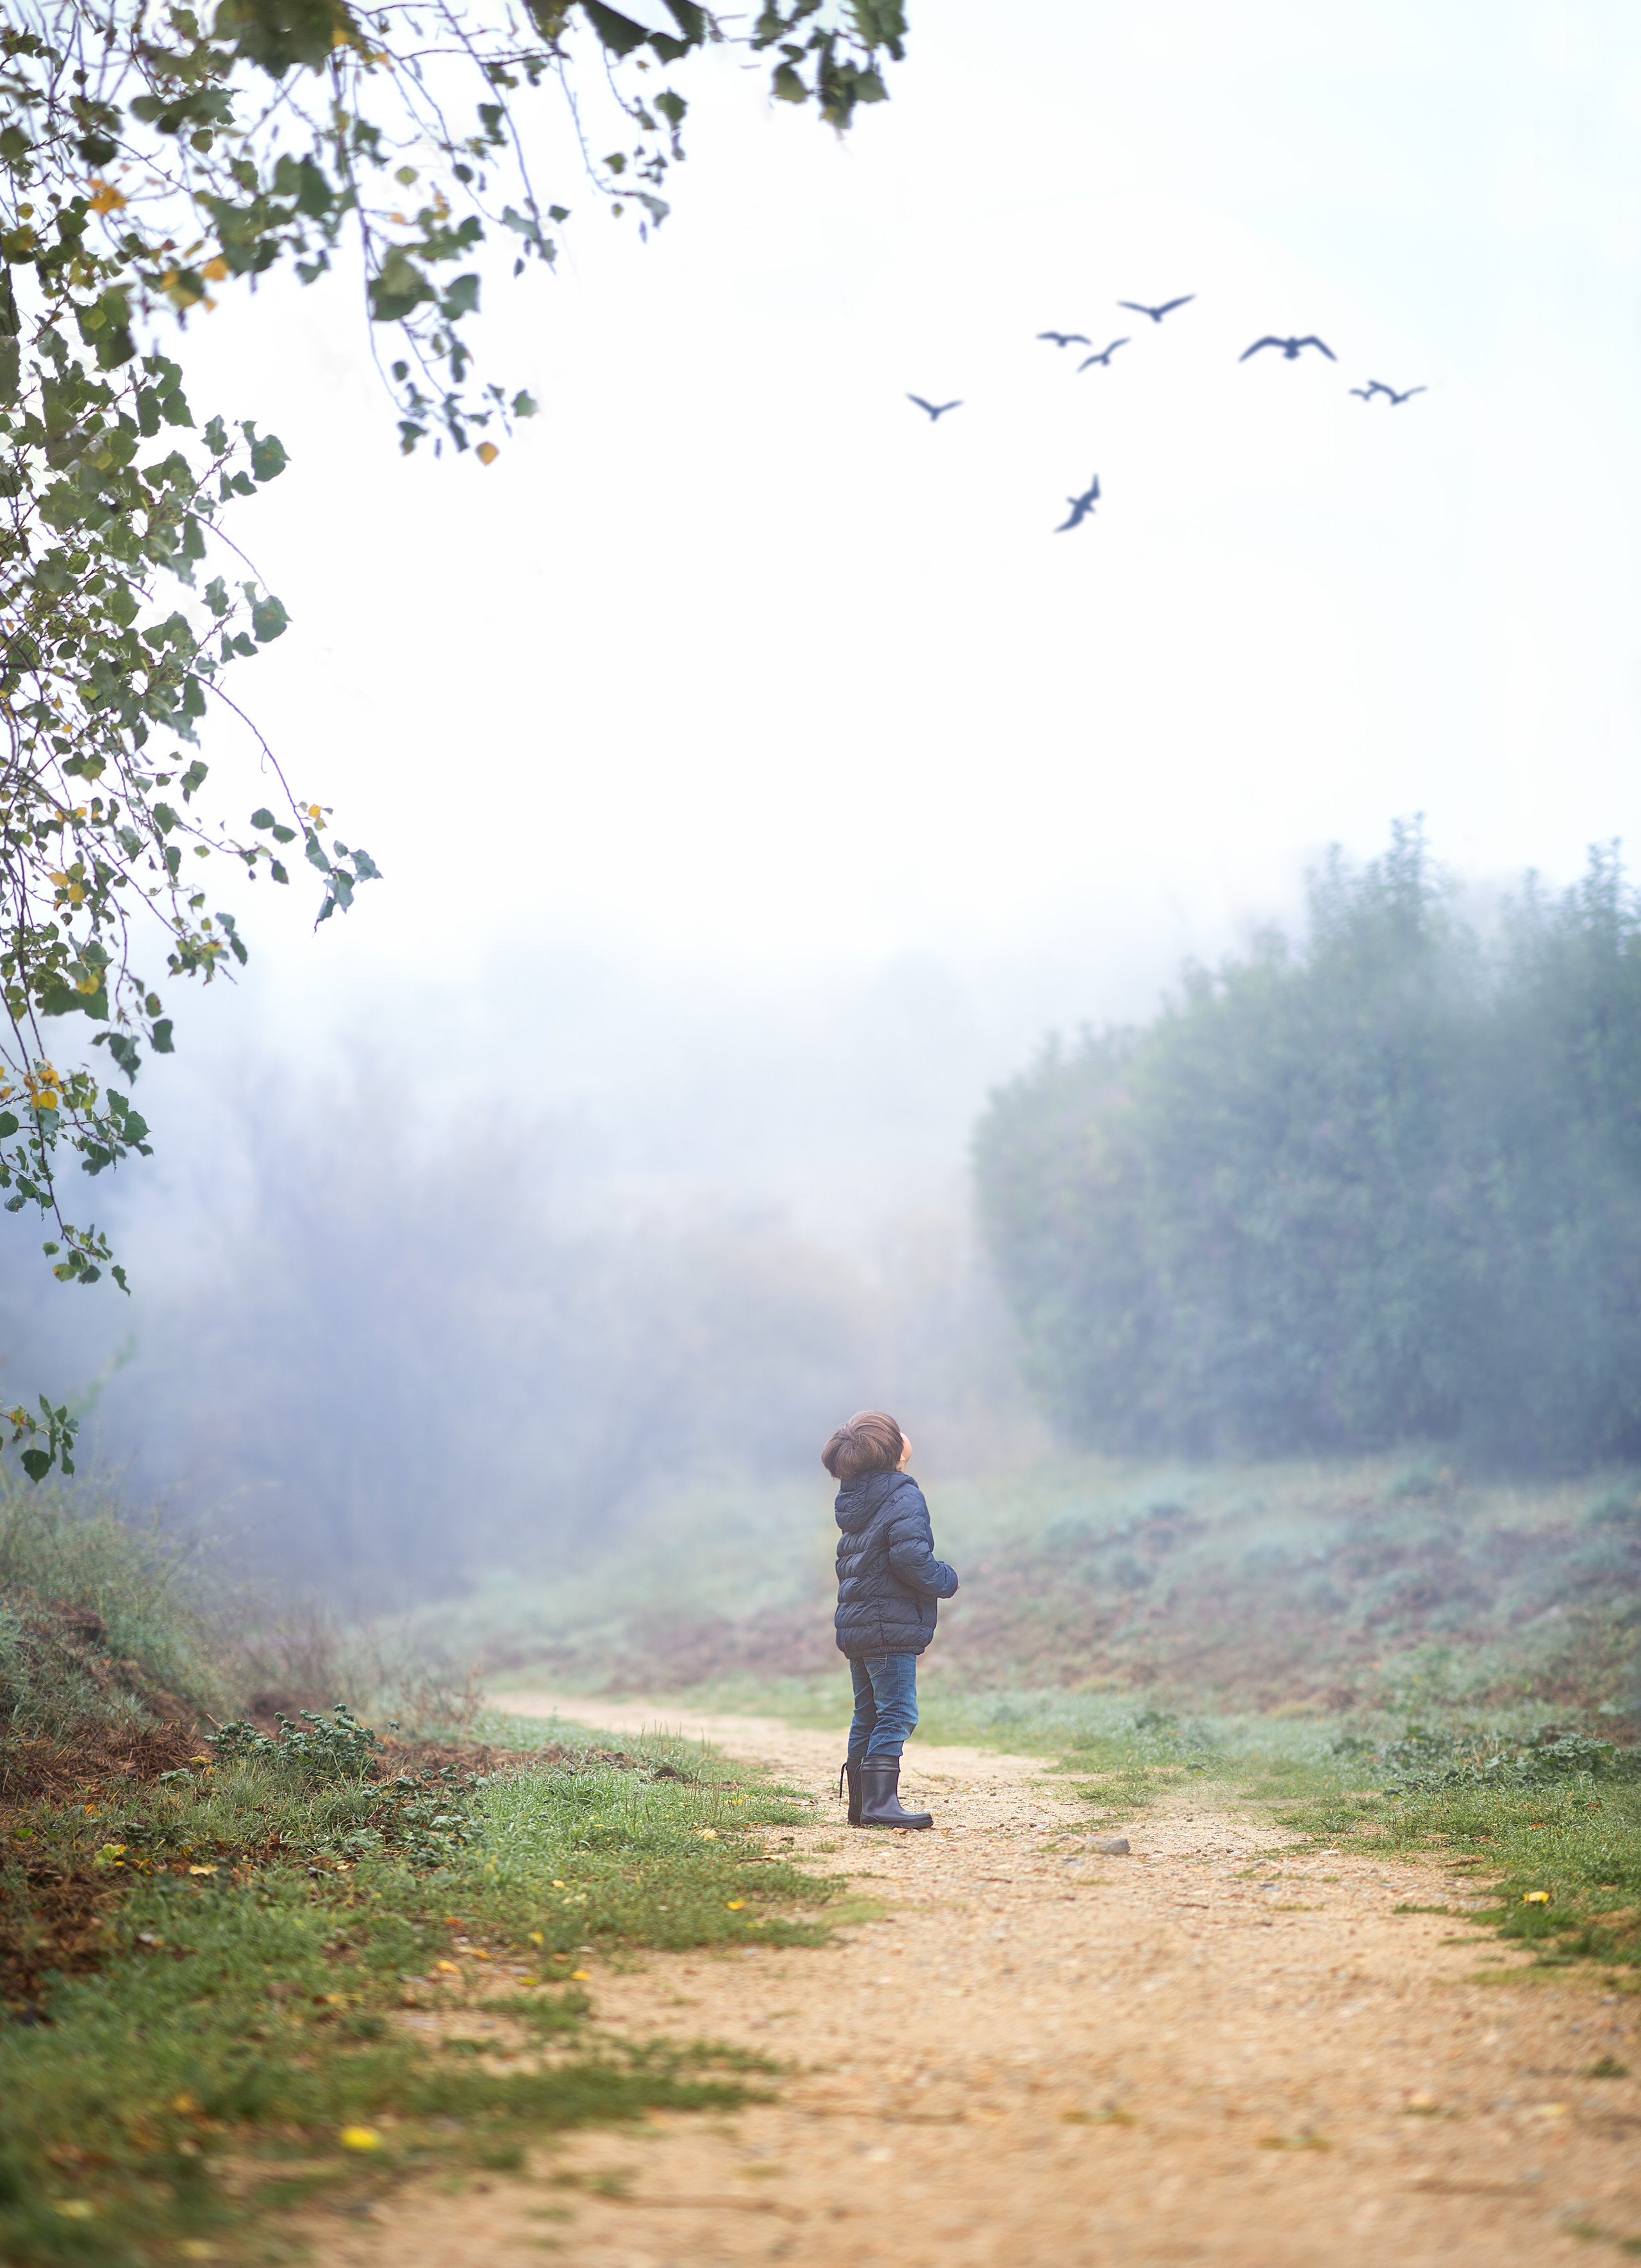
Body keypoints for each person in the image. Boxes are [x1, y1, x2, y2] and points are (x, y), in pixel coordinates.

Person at [823, 1409, 959, 1830]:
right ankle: (881, 1803)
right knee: (897, 1711)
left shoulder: (855, 1497)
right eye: (900, 1431)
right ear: (894, 1450)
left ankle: (862, 1806)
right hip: (888, 1624)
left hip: (860, 1623)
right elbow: (909, 1556)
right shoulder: (902, 1494)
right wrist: (944, 1578)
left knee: (867, 1712)